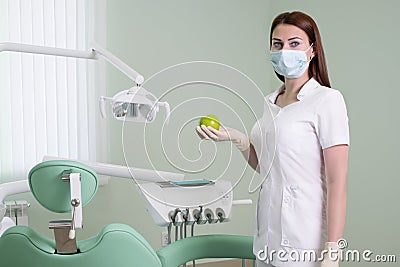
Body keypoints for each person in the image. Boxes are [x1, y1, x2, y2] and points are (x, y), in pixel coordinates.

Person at [196, 11, 349, 267]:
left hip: (305, 241)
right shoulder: (271, 102)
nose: (284, 50)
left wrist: (333, 248)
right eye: (277, 44)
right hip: (267, 239)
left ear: (312, 50)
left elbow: (337, 182)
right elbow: (268, 168)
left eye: (294, 43)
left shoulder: (327, 100)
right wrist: (237, 139)